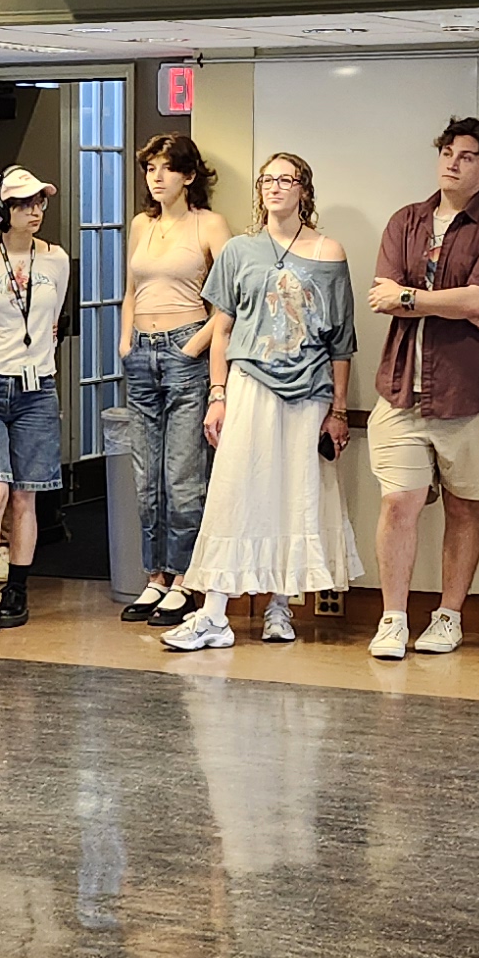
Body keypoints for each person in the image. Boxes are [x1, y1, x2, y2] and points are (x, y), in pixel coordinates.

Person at [166, 151, 358, 654]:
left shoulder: (328, 252)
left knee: (295, 494)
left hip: (309, 390)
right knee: (236, 492)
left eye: (285, 180)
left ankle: (280, 606)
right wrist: (218, 394)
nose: (274, 187)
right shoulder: (238, 251)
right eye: (267, 179)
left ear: (303, 189)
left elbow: (341, 342)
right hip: (250, 382)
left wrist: (339, 410)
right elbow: (222, 329)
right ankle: (214, 614)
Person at [361, 116, 479, 662]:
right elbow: (382, 296)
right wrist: (455, 305)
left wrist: (420, 299)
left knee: (464, 507)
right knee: (398, 502)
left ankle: (449, 615)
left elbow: (477, 300)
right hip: (401, 388)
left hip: (470, 391)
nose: (453, 163)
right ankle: (392, 618)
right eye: (447, 153)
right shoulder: (406, 220)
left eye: (467, 156)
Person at [119, 134, 227, 629]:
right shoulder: (142, 224)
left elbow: (231, 297)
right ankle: (155, 575)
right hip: (141, 352)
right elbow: (130, 290)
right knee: (147, 478)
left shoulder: (209, 223)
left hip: (185, 348)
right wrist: (126, 342)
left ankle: (184, 578)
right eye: (150, 169)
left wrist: (194, 345)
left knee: (183, 476)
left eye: (167, 168)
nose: (157, 177)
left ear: (189, 175)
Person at [0, 166, 71, 632]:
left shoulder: (56, 259)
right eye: (23, 203)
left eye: (39, 201)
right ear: (2, 209)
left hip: (37, 385)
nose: (34, 210)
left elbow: (53, 315)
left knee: (26, 496)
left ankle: (18, 590)